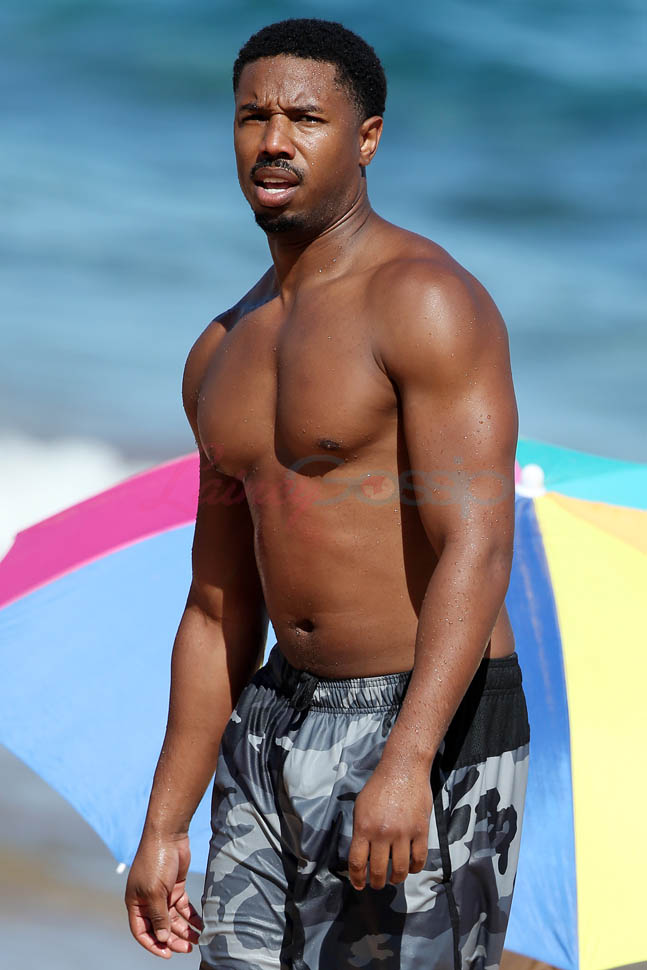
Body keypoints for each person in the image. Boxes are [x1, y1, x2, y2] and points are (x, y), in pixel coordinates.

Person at [125, 17, 530, 970]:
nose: (273, 141)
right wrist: (164, 823)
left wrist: (409, 759)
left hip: (422, 716)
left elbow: (477, 546)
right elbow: (217, 606)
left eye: (305, 119)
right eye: (252, 117)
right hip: (273, 716)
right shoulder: (219, 351)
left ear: (366, 138)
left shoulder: (424, 302)